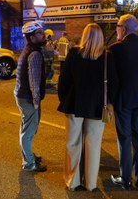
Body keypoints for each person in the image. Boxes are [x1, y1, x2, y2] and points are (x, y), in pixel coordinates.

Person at [58, 23, 118, 192]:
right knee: (93, 144)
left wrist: (64, 98)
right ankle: (90, 183)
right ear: (101, 38)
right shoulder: (107, 56)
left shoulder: (74, 54)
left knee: (73, 143)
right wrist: (110, 102)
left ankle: (73, 181)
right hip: (97, 106)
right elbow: (114, 83)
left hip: (74, 104)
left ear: (84, 36)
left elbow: (64, 81)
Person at [109, 14, 138, 190]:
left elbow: (111, 76)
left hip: (124, 99)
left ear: (124, 29)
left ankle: (125, 178)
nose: (116, 30)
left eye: (117, 27)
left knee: (124, 138)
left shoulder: (116, 49)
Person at [14, 21, 47, 172]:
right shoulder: (34, 54)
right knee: (28, 131)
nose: (43, 34)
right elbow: (34, 80)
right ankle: (29, 163)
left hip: (22, 95)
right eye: (40, 33)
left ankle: (28, 155)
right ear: (32, 37)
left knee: (26, 128)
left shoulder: (28, 50)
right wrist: (35, 101)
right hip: (28, 98)